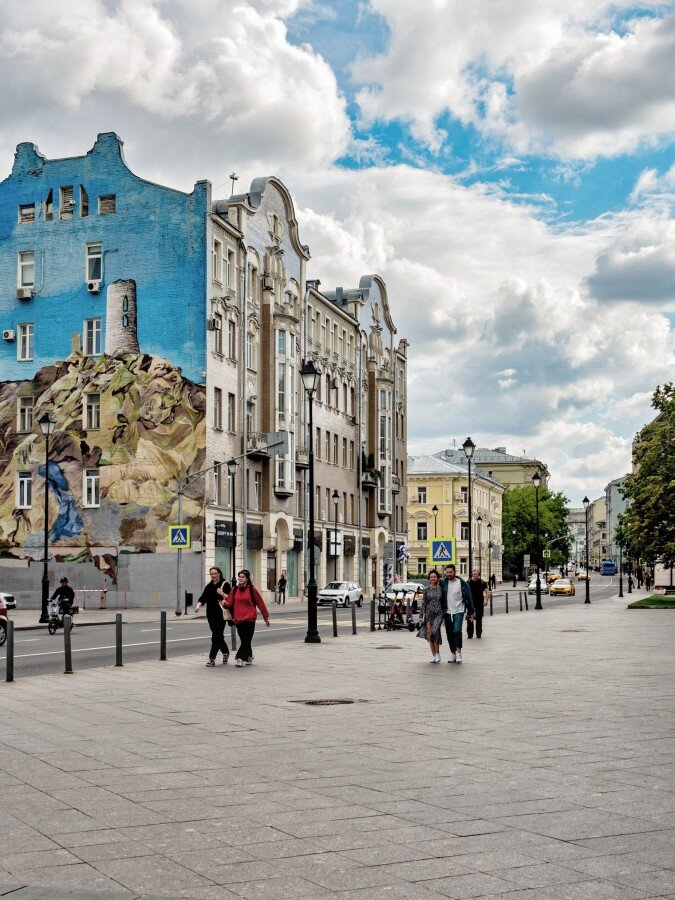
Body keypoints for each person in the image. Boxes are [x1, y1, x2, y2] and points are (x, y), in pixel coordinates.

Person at [223, 569, 270, 667]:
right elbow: (230, 603)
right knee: (245, 640)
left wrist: (266, 617)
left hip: (250, 618)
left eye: (242, 577)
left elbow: (260, 604)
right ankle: (249, 656)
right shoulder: (234, 590)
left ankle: (240, 658)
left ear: (247, 578)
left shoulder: (252, 589)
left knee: (246, 640)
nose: (240, 578)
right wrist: (224, 604)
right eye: (239, 577)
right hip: (238, 619)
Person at [194, 566, 230, 667]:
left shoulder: (225, 584)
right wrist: (198, 606)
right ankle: (226, 652)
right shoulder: (209, 586)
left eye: (215, 573)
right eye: (211, 574)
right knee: (218, 635)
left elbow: (231, 598)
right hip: (210, 614)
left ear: (219, 573)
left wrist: (222, 593)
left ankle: (212, 658)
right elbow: (203, 597)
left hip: (221, 613)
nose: (213, 575)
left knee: (216, 636)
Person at [441, 564, 475, 663]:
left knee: (457, 631)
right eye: (447, 572)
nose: (449, 574)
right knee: (449, 634)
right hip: (447, 612)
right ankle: (453, 653)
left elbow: (469, 598)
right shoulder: (443, 583)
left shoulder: (462, 583)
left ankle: (459, 652)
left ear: (455, 572)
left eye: (450, 572)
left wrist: (471, 612)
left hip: (459, 611)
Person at [421, 569, 444, 663]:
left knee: (435, 632)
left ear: (437, 578)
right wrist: (421, 615)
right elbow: (424, 603)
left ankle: (438, 653)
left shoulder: (441, 589)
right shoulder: (426, 590)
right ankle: (434, 655)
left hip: (439, 613)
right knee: (431, 635)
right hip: (429, 614)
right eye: (431, 577)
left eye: (434, 577)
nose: (433, 578)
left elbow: (443, 601)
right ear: (429, 579)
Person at [467, 569, 489, 640]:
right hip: (471, 603)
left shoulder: (482, 582)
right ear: (472, 575)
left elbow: (487, 592)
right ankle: (470, 634)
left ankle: (478, 634)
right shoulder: (468, 582)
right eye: (474, 574)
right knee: (470, 618)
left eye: (476, 574)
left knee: (479, 619)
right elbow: (465, 592)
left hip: (479, 603)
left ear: (478, 575)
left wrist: (486, 600)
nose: (475, 575)